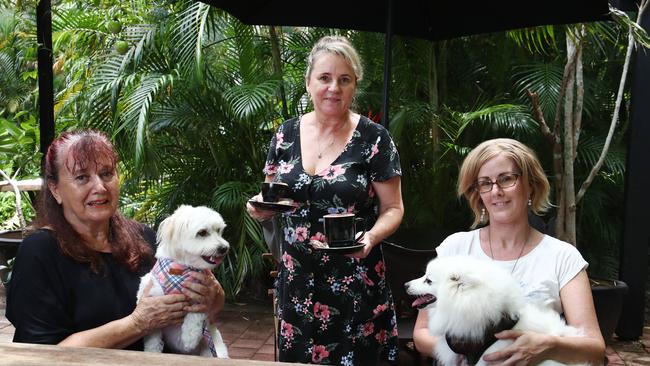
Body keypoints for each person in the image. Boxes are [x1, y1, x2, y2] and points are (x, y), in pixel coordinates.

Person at [246, 35, 404, 365]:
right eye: (325, 78)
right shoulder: (284, 135)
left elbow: (393, 208)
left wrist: (372, 236)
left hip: (355, 283)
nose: (334, 88)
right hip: (297, 282)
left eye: (344, 80)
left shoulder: (375, 139)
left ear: (354, 85)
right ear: (308, 83)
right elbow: (271, 194)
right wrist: (260, 209)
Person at [6, 129, 225, 350]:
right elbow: (42, 354)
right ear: (55, 190)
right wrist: (138, 323)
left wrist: (213, 298)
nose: (100, 187)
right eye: (82, 177)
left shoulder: (144, 238)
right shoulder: (39, 252)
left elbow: (205, 311)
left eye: (106, 174)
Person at [412, 138, 606, 365]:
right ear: (479, 194)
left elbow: (593, 349)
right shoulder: (456, 248)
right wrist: (464, 354)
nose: (496, 191)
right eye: (485, 183)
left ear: (531, 184)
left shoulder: (562, 256)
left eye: (506, 179)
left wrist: (548, 346)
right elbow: (421, 333)